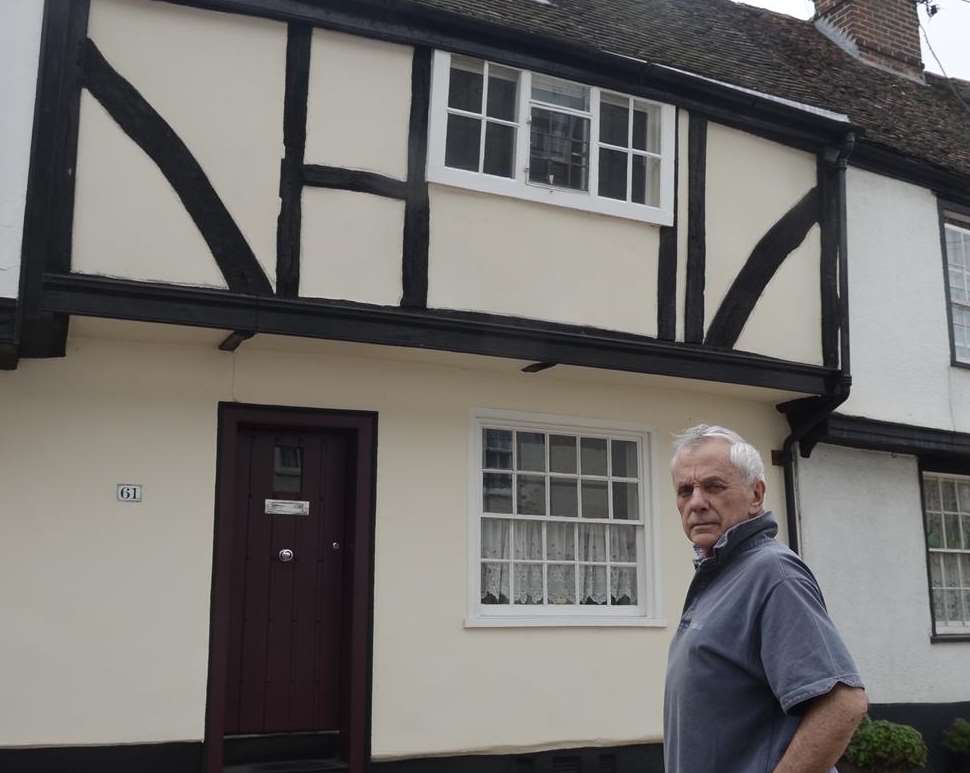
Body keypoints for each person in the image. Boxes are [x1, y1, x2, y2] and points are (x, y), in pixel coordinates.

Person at [664, 424, 868, 773]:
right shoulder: (722, 571)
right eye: (685, 490)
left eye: (713, 486)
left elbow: (843, 705)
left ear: (756, 495)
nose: (696, 502)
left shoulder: (772, 573)